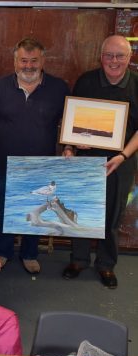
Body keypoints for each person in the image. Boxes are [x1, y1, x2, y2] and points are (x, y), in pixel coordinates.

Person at [0, 37, 69, 274]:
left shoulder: (59, 88)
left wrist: (68, 148)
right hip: (6, 162)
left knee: (38, 208)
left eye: (33, 61)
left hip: (43, 164)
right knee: (3, 208)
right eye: (23, 61)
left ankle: (30, 254)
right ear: (15, 62)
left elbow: (68, 122)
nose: (28, 66)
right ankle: (3, 251)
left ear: (43, 61)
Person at [62, 35, 138, 289]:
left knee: (112, 216)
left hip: (121, 161)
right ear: (101, 56)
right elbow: (72, 120)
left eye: (120, 56)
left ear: (129, 57)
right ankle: (79, 260)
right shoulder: (86, 81)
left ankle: (106, 265)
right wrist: (71, 146)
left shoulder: (137, 84)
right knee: (80, 211)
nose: (114, 61)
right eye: (109, 55)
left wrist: (123, 155)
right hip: (87, 159)